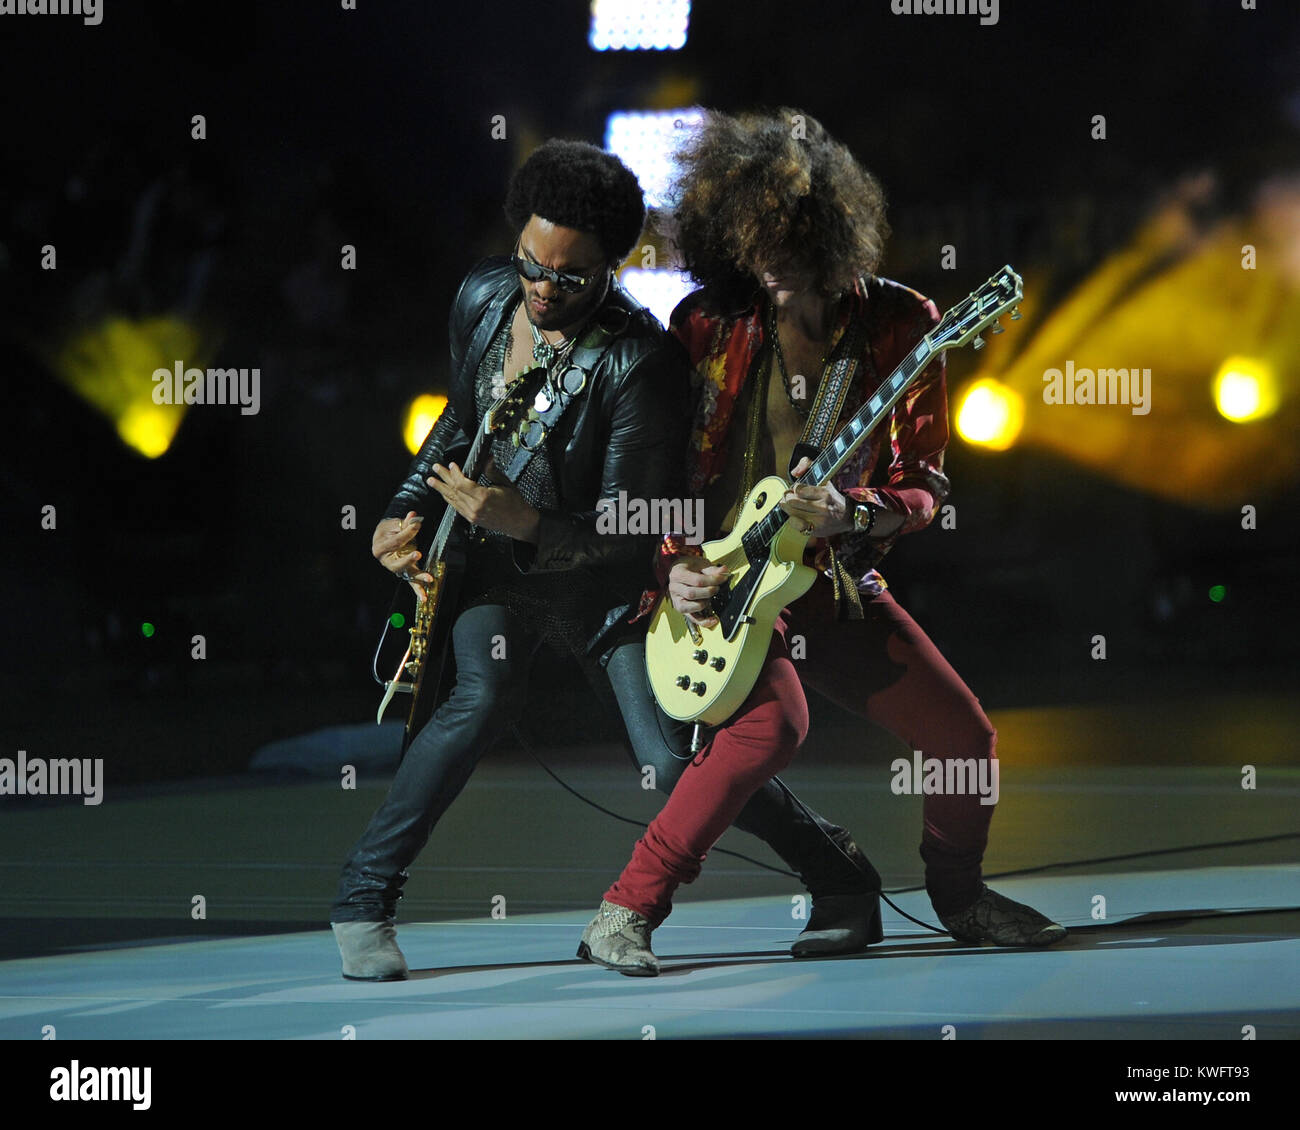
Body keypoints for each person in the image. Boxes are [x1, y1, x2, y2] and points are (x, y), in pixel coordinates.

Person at [330, 138, 882, 982]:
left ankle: (837, 873)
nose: (542, 289)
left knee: (670, 764)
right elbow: (459, 422)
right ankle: (362, 900)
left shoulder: (640, 361)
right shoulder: (483, 295)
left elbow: (633, 526)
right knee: (478, 697)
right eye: (531, 263)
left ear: (612, 269)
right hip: (500, 570)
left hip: (603, 586)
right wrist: (404, 507)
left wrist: (529, 521)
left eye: (570, 277)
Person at [578, 109, 1066, 976]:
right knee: (770, 728)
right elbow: (656, 471)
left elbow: (926, 483)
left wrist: (858, 513)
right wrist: (674, 562)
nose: (769, 261)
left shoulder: (901, 323)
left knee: (964, 738)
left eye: (788, 241)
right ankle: (625, 910)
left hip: (829, 578)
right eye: (752, 240)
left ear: (833, 233)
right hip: (723, 579)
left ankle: (961, 898)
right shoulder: (706, 323)